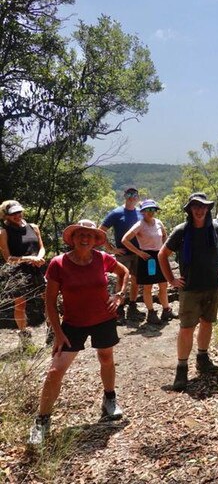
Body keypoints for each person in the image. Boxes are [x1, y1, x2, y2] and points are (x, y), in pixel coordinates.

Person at [28, 220, 129, 445]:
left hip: (103, 319)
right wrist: (58, 333)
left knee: (106, 358)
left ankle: (109, 399)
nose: (85, 238)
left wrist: (120, 295)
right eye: (81, 234)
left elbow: (124, 272)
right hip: (73, 324)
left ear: (95, 240)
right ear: (73, 238)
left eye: (90, 235)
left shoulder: (103, 258)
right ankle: (42, 420)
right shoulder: (58, 263)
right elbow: (50, 302)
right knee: (55, 370)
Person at [158, 192, 218, 391]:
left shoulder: (216, 229)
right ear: (190, 209)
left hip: (212, 286)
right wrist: (171, 280)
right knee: (186, 328)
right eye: (196, 206)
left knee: (207, 323)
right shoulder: (182, 231)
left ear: (208, 209)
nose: (200, 210)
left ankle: (203, 358)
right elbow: (163, 254)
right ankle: (182, 368)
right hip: (190, 288)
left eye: (203, 207)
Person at [0, 200, 46, 349]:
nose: (17, 215)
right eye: (13, 214)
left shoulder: (33, 227)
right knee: (20, 304)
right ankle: (24, 336)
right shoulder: (3, 232)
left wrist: (39, 257)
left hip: (37, 268)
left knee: (48, 299)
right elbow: (8, 258)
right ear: (5, 216)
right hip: (18, 272)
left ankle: (53, 332)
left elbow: (42, 247)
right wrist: (29, 259)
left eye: (18, 212)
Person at [121, 199, 175, 324]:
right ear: (143, 212)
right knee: (147, 287)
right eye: (148, 210)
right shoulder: (140, 224)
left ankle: (166, 310)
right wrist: (139, 252)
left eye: (153, 209)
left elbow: (165, 236)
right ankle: (151, 313)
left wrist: (165, 249)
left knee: (163, 284)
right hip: (147, 257)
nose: (151, 212)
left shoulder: (158, 222)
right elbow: (125, 240)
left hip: (160, 256)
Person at [100, 187, 143, 321]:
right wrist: (111, 249)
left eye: (134, 194)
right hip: (123, 253)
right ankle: (119, 309)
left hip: (139, 252)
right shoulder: (116, 213)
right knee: (121, 279)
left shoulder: (140, 213)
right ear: (124, 196)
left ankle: (132, 307)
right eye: (129, 194)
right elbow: (101, 231)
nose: (132, 197)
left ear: (138, 197)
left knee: (136, 280)